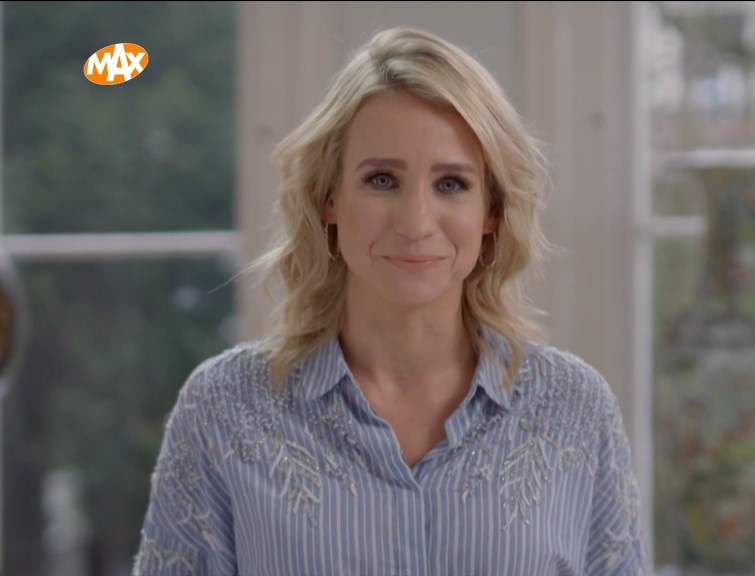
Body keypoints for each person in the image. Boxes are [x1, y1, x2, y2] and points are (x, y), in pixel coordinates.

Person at [133, 26, 650, 576]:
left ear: (492, 210)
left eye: (451, 184)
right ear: (329, 198)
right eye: (382, 180)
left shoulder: (575, 410)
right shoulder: (222, 410)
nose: (416, 223)